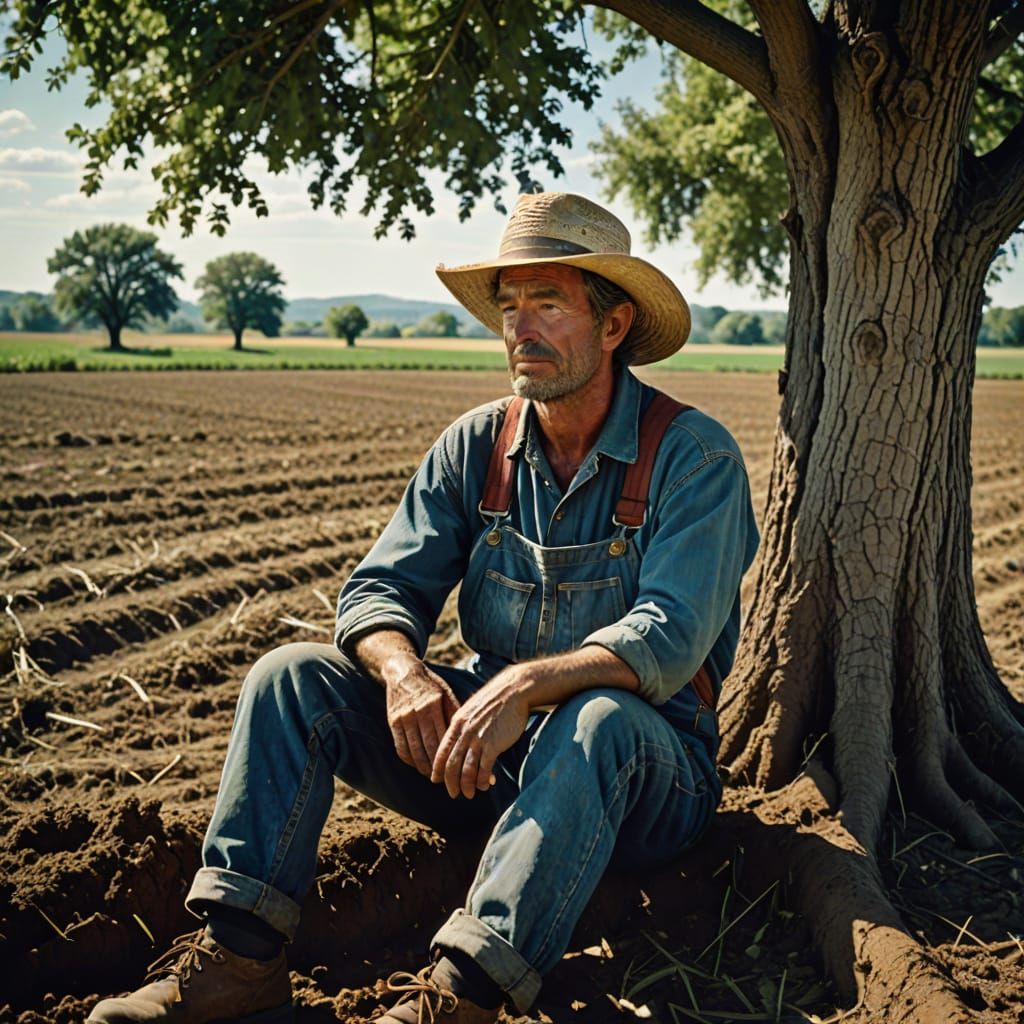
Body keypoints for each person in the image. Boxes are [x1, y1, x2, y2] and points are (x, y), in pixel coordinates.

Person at [87, 192, 760, 1024]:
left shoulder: (693, 458)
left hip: (647, 780)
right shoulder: (477, 445)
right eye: (509, 307)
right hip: (489, 757)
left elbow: (668, 638)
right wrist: (403, 671)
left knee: (597, 719)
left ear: (613, 326)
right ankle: (240, 961)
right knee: (290, 678)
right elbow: (378, 591)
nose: (521, 328)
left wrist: (521, 688)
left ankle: (462, 998)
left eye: (547, 303)